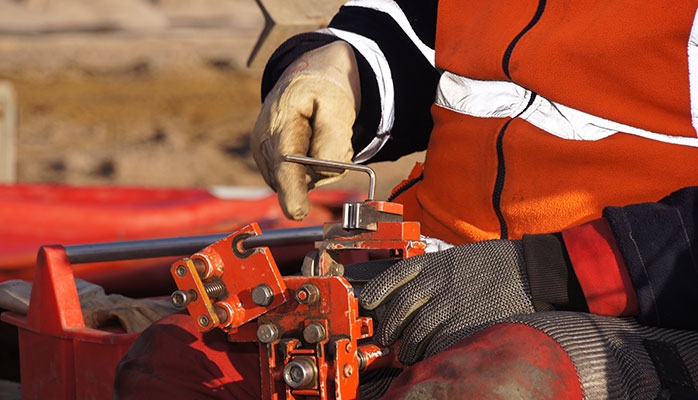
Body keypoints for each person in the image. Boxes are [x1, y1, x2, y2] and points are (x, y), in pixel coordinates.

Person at [115, 1, 698, 398]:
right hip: (428, 266)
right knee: (177, 362)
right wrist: (338, 70)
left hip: (644, 304)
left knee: (490, 385)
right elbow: (424, 30)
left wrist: (551, 273)